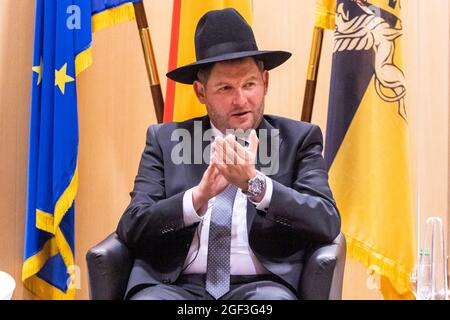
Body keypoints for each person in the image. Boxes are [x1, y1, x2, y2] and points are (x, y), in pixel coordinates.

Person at [116, 8, 340, 300]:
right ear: (200, 92)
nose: (240, 99)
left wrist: (255, 185)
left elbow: (326, 219)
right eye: (225, 88)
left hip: (262, 286)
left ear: (265, 82)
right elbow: (132, 225)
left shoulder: (299, 140)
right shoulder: (165, 141)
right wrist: (197, 198)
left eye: (249, 84)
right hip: (175, 286)